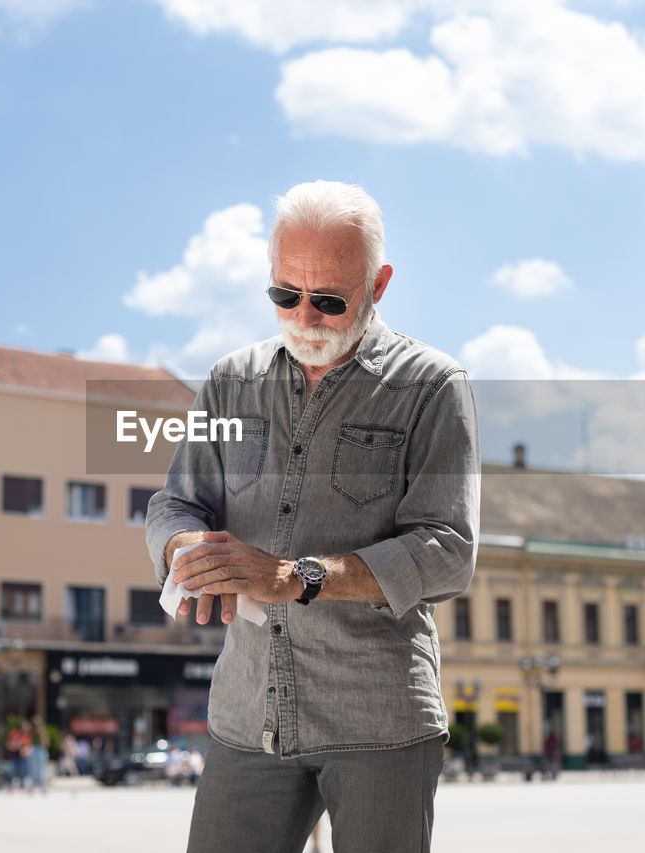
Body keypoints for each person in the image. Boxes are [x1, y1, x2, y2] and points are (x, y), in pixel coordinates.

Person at [146, 180, 480, 853]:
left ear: (378, 284)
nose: (305, 315)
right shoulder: (228, 382)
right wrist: (187, 546)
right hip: (248, 714)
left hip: (379, 721)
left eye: (330, 299)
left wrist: (295, 576)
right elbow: (176, 500)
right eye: (284, 294)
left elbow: (448, 547)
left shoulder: (433, 387)